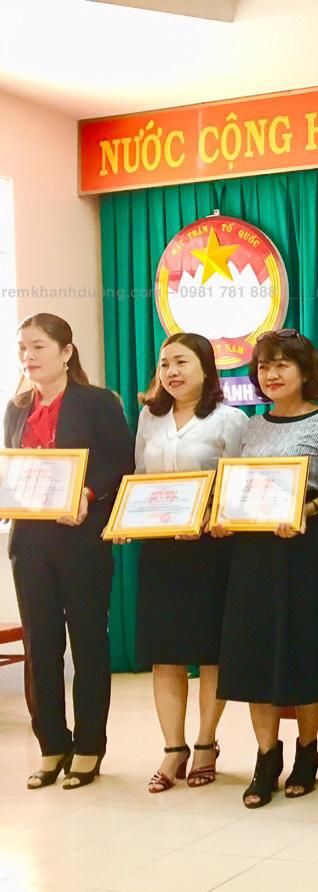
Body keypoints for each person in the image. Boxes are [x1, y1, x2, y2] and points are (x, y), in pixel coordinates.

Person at [215, 329, 318, 808]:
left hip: (305, 548)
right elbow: (237, 485)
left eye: (282, 364)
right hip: (254, 552)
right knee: (256, 653)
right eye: (263, 366)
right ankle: (266, 757)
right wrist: (223, 515)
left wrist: (310, 510)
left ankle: (307, 751)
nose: (271, 374)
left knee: (305, 650)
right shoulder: (251, 426)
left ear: (305, 371)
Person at [6, 313, 134, 790]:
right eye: (22, 348)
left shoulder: (98, 402)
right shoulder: (17, 408)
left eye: (38, 347)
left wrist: (88, 492)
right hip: (29, 542)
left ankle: (89, 746)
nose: (28, 356)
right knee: (40, 646)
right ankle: (52, 745)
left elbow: (121, 460)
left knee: (88, 641)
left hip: (81, 539)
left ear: (66, 352)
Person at [115, 333, 245, 792]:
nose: (171, 372)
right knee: (164, 652)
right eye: (164, 363)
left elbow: (236, 484)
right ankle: (174, 748)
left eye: (181, 362)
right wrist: (127, 518)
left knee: (209, 651)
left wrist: (212, 516)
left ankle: (207, 743)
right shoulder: (149, 419)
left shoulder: (230, 419)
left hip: (211, 549)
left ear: (206, 368)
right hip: (160, 550)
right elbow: (138, 478)